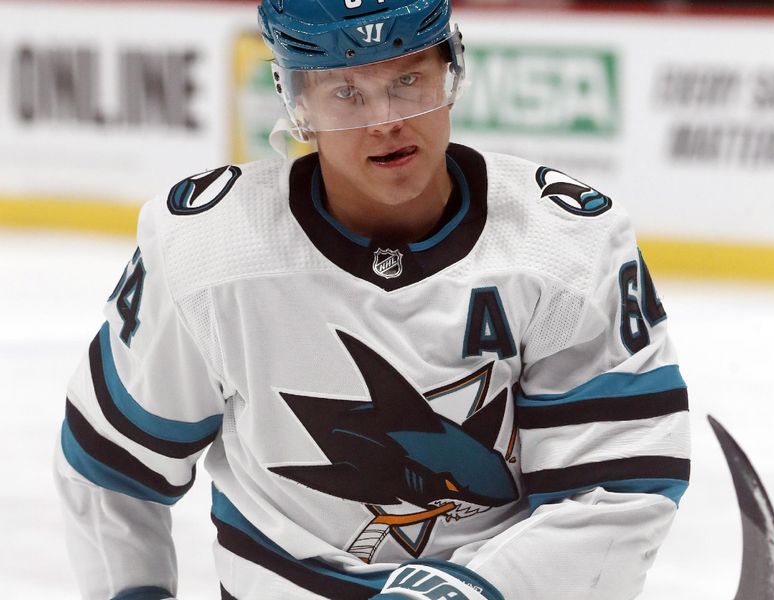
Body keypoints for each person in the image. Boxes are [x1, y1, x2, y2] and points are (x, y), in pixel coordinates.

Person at [54, 1, 690, 598]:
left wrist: (475, 591)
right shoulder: (207, 253)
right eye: (346, 92)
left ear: (452, 70)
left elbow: (619, 490)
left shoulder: (568, 246)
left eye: (408, 81)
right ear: (296, 101)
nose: (385, 120)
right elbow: (113, 467)